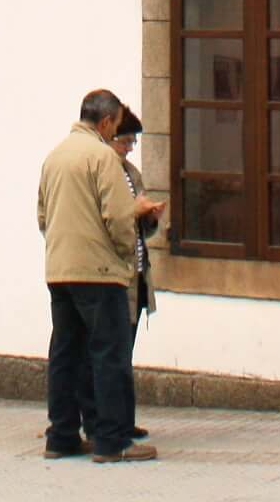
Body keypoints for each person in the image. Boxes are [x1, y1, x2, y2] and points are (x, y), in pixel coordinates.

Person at [37, 87, 162, 463]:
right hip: (100, 271)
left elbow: (42, 216)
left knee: (65, 354)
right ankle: (111, 441)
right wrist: (126, 259)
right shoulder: (101, 158)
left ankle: (61, 436)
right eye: (117, 127)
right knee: (109, 354)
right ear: (106, 121)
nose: (116, 135)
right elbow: (120, 218)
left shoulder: (54, 156)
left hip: (60, 269)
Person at [112, 108, 156, 443]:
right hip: (116, 277)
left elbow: (142, 229)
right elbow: (110, 222)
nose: (129, 147)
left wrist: (150, 217)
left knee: (125, 352)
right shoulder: (104, 173)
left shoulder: (132, 174)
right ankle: (111, 421)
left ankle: (125, 419)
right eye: (125, 140)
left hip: (138, 275)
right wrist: (134, 212)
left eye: (133, 141)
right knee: (112, 354)